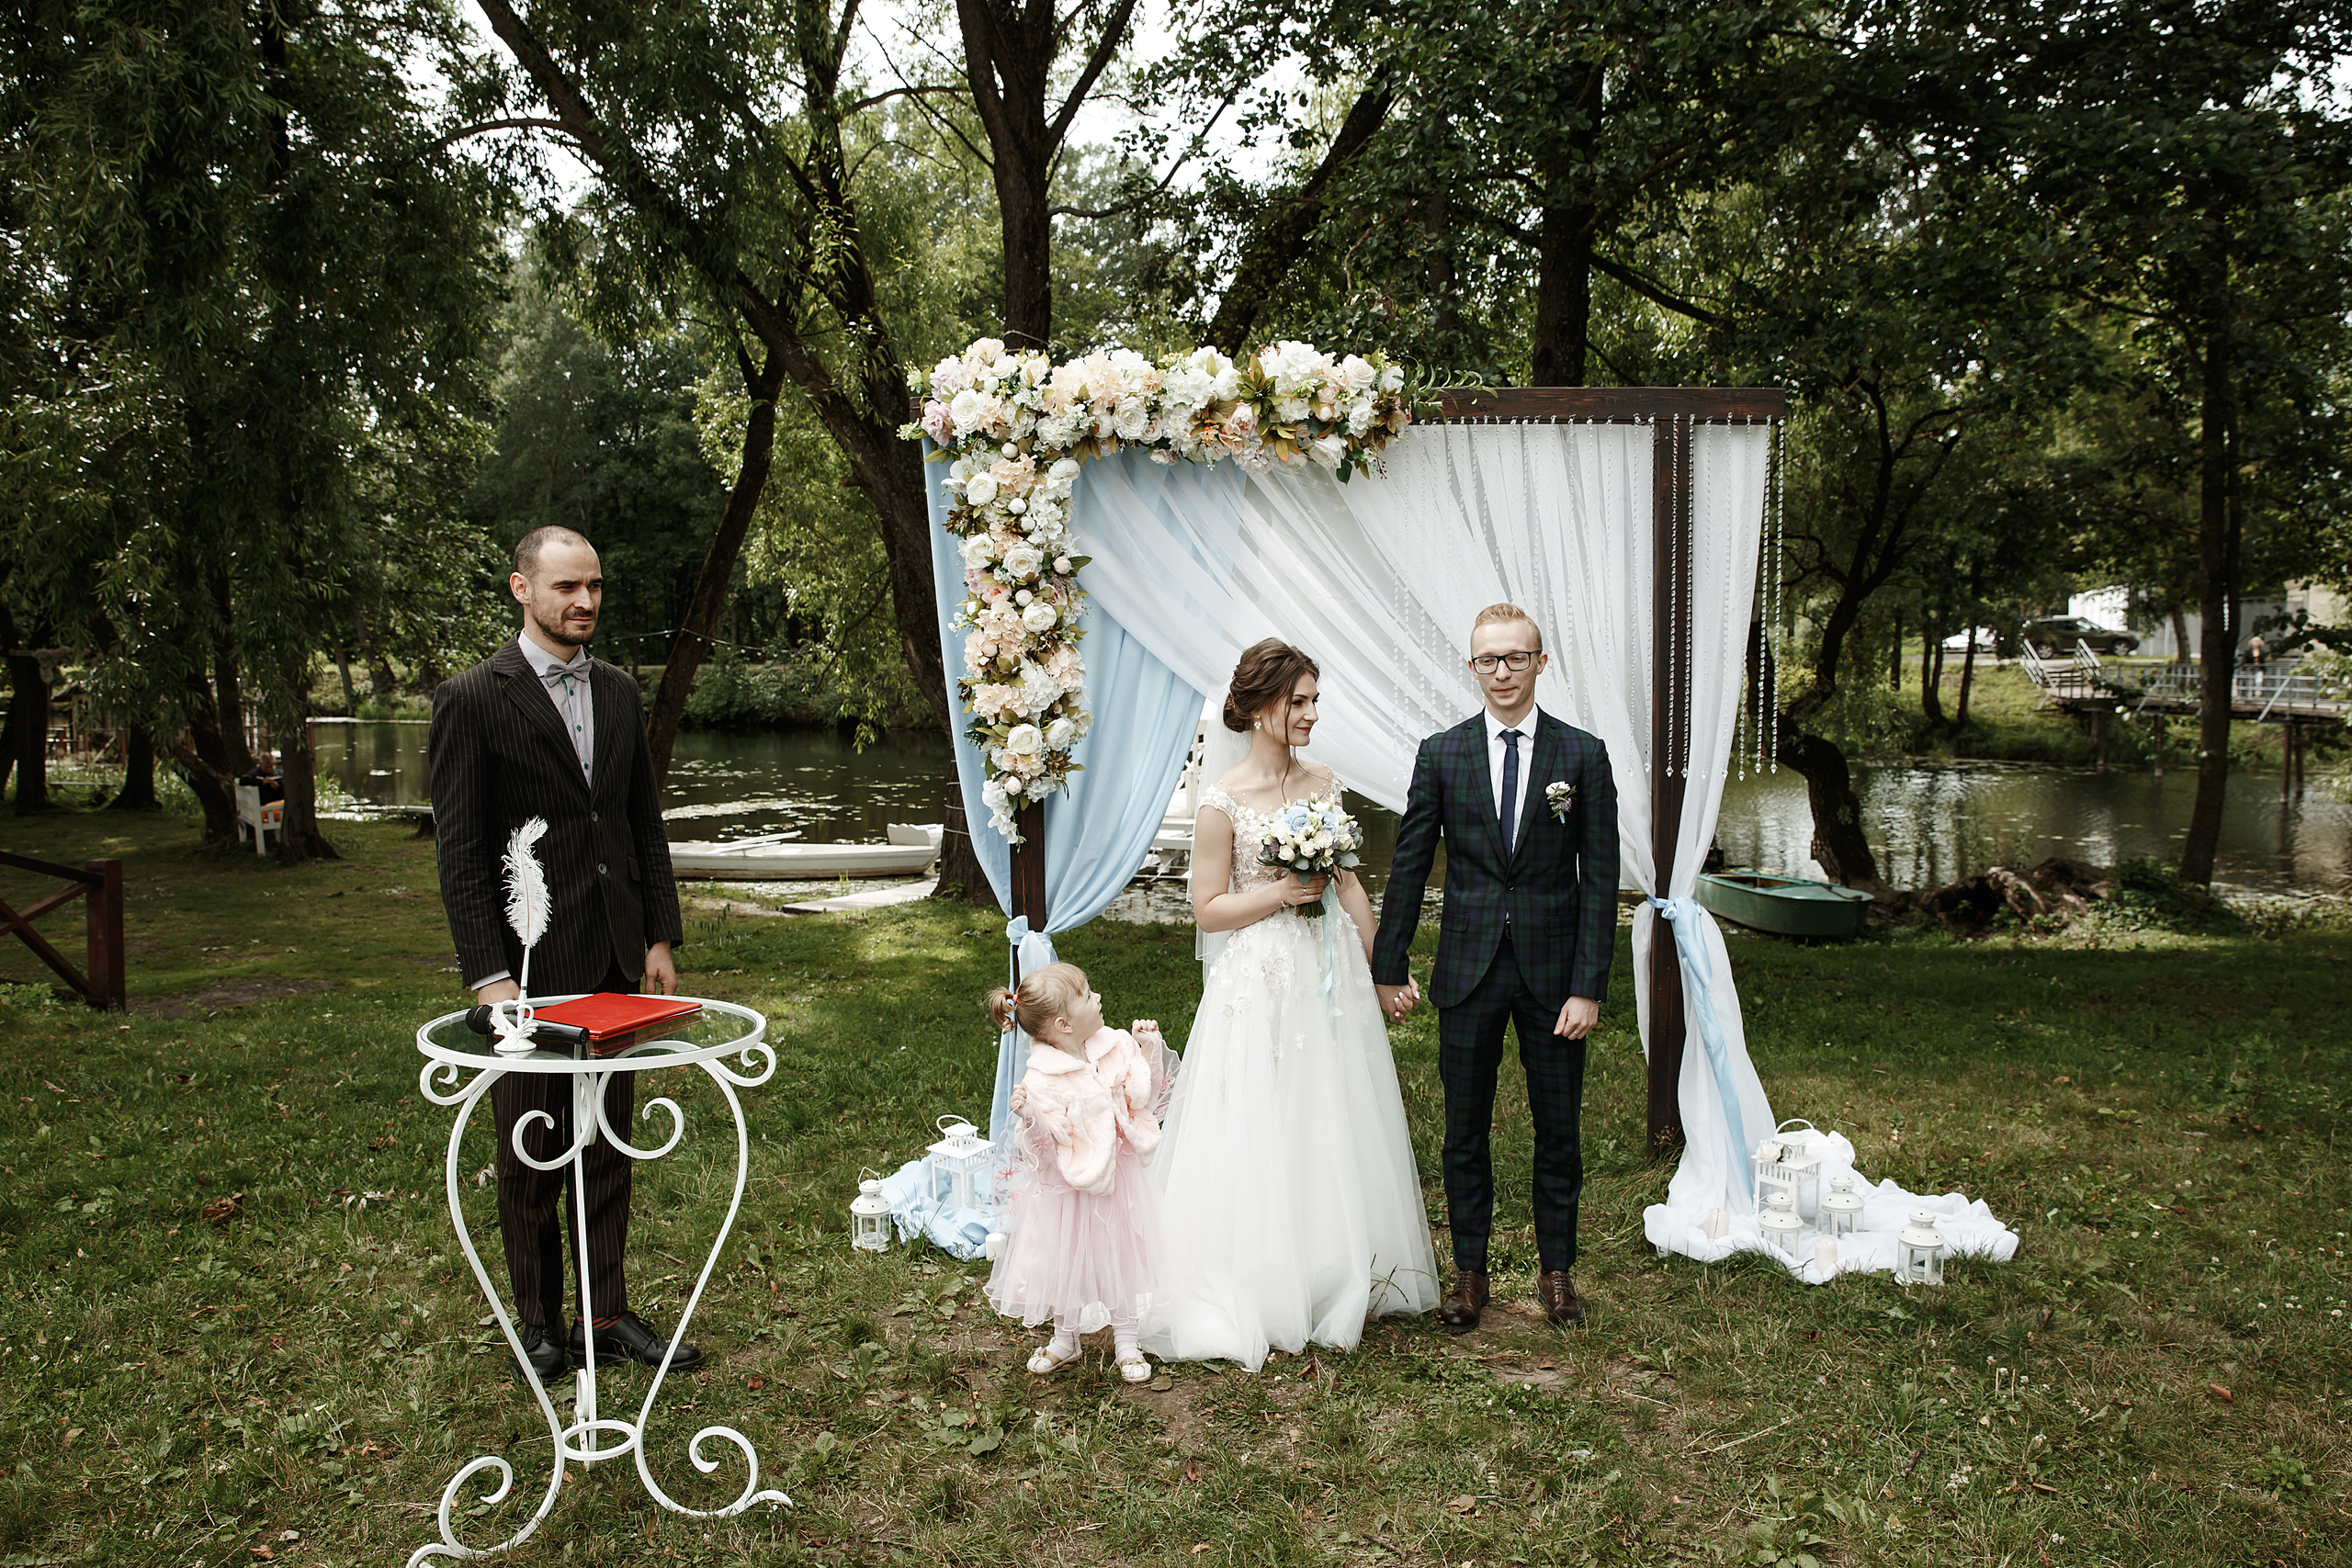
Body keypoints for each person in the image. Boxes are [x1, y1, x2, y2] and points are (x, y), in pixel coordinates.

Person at [428, 525, 695, 1382]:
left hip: (616, 955)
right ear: (521, 589)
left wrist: (656, 932)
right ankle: (539, 1325)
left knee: (610, 1147)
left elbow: (635, 820)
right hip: (531, 969)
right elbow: (462, 849)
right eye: (565, 588)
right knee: (533, 1149)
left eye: (595, 586)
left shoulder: (618, 690)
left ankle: (604, 1314)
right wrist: (490, 973)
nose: (584, 602)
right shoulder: (472, 697)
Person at [1141, 640, 1441, 1370]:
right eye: (1298, 701)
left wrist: (1381, 967)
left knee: (1330, 1106)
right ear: (1259, 706)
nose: (1310, 713)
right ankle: (1257, 1274)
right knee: (1260, 1110)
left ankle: (1331, 1264)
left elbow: (1350, 885)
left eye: (1314, 700)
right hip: (1259, 975)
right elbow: (1208, 909)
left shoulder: (1324, 783)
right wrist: (1279, 892)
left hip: (1327, 969)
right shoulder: (1222, 802)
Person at [1371, 603, 1619, 1331]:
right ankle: (1470, 1273)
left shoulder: (1582, 756)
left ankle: (1558, 1272)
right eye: (1489, 659)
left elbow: (1599, 879)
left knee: (1559, 1128)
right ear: (1471, 666)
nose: (1502, 672)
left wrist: (1587, 986)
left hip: (1553, 977)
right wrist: (1390, 964)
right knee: (1463, 1128)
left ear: (1542, 663)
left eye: (1516, 658)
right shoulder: (1441, 753)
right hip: (1468, 970)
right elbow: (1411, 866)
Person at [983, 964, 1171, 1384]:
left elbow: (1144, 1095)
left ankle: (1126, 1338)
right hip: (1067, 1189)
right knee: (1064, 1259)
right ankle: (1065, 1338)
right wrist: (1030, 1116)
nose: (1098, 997)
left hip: (1118, 1182)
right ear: (1064, 1023)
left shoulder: (1114, 1047)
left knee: (1119, 1253)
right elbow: (1045, 1152)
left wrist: (1146, 1047)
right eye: (1087, 994)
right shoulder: (1042, 1079)